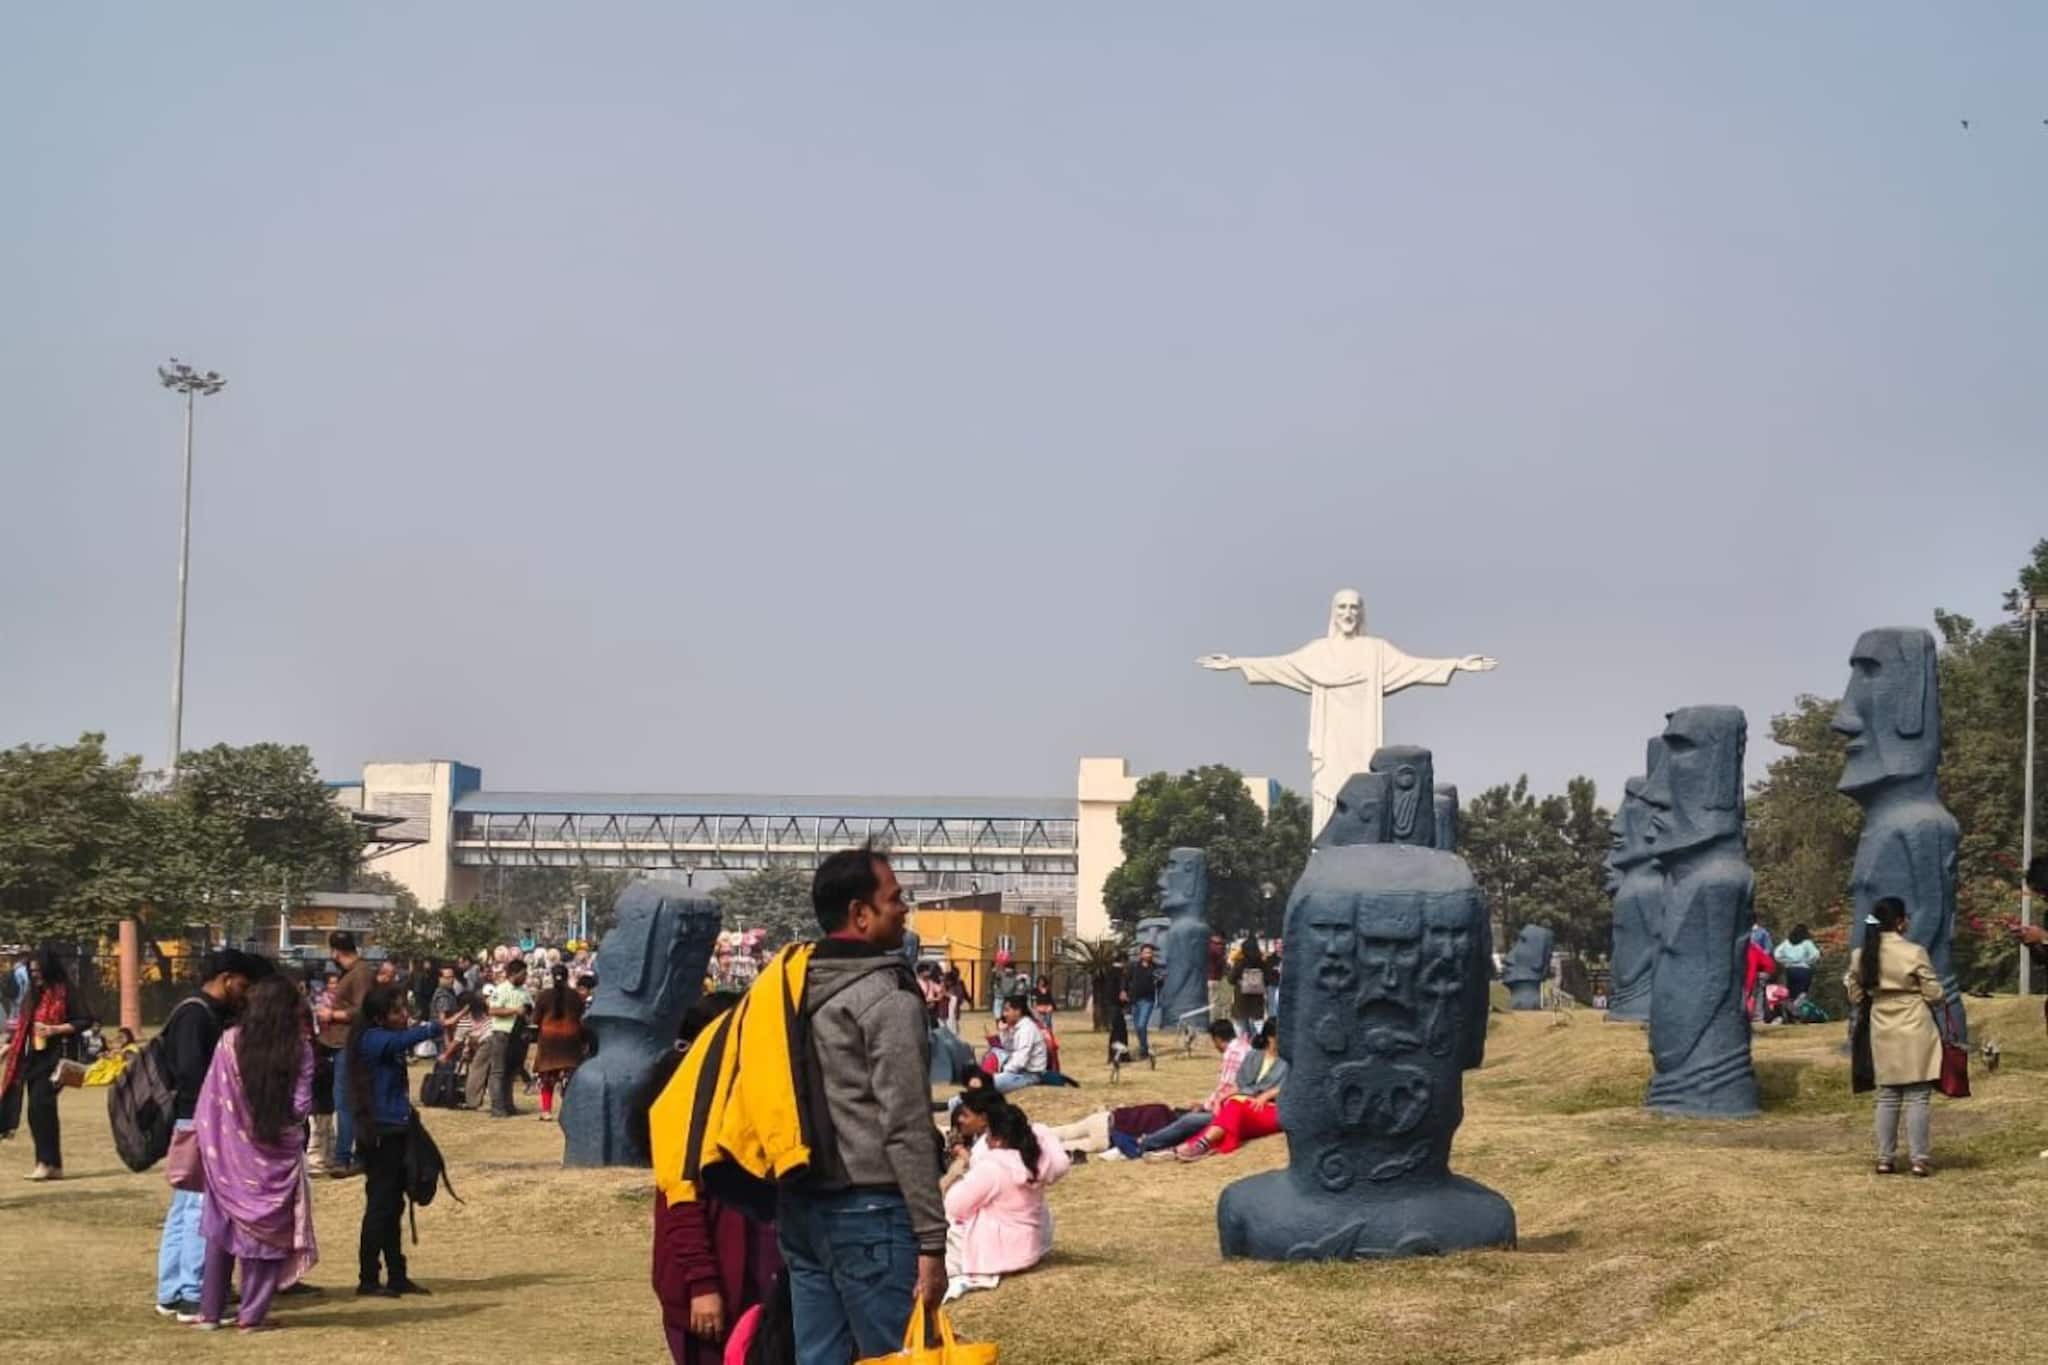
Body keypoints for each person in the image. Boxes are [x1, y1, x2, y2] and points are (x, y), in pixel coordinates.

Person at [779, 843, 946, 1365]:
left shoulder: (787, 987)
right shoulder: (886, 994)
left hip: (800, 1206)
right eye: (895, 898)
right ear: (860, 913)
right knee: (895, 1356)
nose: (905, 909)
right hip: (870, 1209)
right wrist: (932, 1242)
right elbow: (905, 1123)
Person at [643, 992, 781, 1365]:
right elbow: (681, 1206)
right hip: (711, 1292)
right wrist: (702, 1286)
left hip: (762, 1289)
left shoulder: (756, 1100)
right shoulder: (688, 1108)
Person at [191, 972, 318, 1332]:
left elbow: (210, 1101)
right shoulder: (299, 1050)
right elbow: (300, 1106)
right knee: (263, 1238)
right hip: (274, 1160)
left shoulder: (229, 1042)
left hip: (226, 1155)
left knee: (221, 1235)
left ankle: (210, 1313)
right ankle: (251, 1317)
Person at [155, 949, 261, 1322]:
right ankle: (193, 1293)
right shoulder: (196, 1014)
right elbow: (192, 1073)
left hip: (193, 1120)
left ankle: (171, 1291)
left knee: (185, 1207)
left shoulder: (198, 1011)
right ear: (227, 977)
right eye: (243, 986)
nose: (244, 994)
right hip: (201, 1121)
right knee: (201, 1209)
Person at [348, 984, 442, 1296]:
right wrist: (437, 1026)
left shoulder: (383, 1040)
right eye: (396, 1011)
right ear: (378, 1016)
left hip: (397, 1128)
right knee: (380, 1205)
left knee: (394, 1206)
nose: (404, 1016)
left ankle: (397, 1273)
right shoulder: (372, 1039)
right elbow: (404, 1038)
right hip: (381, 1133)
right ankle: (368, 1278)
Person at [1846, 897, 1946, 1177]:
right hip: (1914, 1024)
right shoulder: (1914, 952)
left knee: (1888, 1095)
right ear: (1901, 922)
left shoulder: (1861, 954)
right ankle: (1919, 1159)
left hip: (1881, 1024)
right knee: (1917, 1096)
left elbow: (1855, 994)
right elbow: (1934, 994)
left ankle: (1885, 1158)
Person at [942, 1098, 1070, 1301]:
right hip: (1029, 1249)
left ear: (996, 1139)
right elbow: (1061, 1162)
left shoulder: (992, 1167)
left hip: (996, 1256)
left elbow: (954, 1205)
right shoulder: (1037, 1161)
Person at [0, 947, 88, 1180]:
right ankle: (50, 1164)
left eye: (38, 971)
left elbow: (84, 1020)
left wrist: (53, 1029)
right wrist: (8, 1047)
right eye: (32, 971)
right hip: (33, 1057)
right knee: (36, 1112)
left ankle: (47, 1163)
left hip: (56, 1056)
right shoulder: (33, 993)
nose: (35, 975)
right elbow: (24, 1025)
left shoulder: (66, 991)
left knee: (41, 1107)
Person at [1132, 1020, 1252, 1160]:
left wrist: (1206, 1106)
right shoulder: (1245, 1047)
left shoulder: (1234, 1053)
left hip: (1227, 1109)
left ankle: (1146, 1143)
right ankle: (1152, 1139)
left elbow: (1227, 1087)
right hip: (1233, 1104)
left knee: (1188, 1121)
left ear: (1217, 1039)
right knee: (1182, 1116)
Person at [1174, 1020, 1287, 1162]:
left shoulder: (1291, 1060)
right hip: (1248, 1104)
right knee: (1225, 1113)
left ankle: (1199, 1145)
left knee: (1229, 1108)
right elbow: (1239, 1084)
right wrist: (1220, 1099)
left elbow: (1296, 1083)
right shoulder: (1254, 1056)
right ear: (1271, 1037)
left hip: (1273, 1107)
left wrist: (1267, 1095)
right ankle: (1188, 1147)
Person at [313, 931, 373, 1179]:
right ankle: (350, 1155)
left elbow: (364, 1010)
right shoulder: (354, 973)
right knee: (345, 1101)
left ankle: (344, 1158)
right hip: (338, 1043)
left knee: (345, 1102)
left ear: (336, 951)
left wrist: (333, 1015)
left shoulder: (361, 974)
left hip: (349, 1043)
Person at [475, 959, 530, 1118]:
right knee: (498, 1071)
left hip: (518, 1034)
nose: (526, 977)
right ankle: (497, 1107)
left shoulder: (523, 991)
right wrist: (514, 1011)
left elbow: (528, 1007)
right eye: (523, 974)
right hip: (502, 1034)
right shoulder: (501, 989)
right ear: (514, 974)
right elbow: (492, 1010)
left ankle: (508, 1105)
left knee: (511, 1071)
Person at [532, 964, 586, 1123]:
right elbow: (581, 1017)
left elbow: (535, 1020)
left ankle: (547, 1111)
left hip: (549, 1041)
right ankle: (569, 1111)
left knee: (547, 1077)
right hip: (571, 1040)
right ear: (568, 976)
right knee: (570, 1078)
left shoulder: (543, 995)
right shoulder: (576, 996)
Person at [987, 995, 1047, 1097]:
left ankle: (952, 1103)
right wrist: (1003, 1031)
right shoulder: (1018, 1027)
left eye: (1007, 1010)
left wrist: (1004, 1073)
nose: (1004, 1014)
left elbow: (1020, 1058)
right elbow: (1008, 1048)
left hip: (1029, 1075)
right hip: (1019, 1072)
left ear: (1017, 1011)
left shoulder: (1027, 1029)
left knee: (985, 1085)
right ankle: (952, 1103)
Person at [1122, 944, 1161, 1061]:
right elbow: (1126, 979)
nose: (1148, 955)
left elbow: (1159, 984)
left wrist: (1160, 980)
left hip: (1147, 1000)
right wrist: (1124, 991)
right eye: (1146, 952)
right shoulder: (1134, 966)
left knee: (1141, 1025)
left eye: (1150, 953)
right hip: (1134, 1000)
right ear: (1141, 954)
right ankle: (1144, 1047)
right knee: (1137, 1027)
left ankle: (1144, 1049)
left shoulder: (1155, 968)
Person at [1229, 934, 1268, 1040]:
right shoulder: (1262, 963)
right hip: (1257, 998)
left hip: (1241, 998)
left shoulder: (1240, 963)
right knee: (1258, 1023)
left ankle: (1241, 1044)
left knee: (1239, 1024)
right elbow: (1268, 978)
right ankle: (1260, 1043)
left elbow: (1230, 979)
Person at [1774, 926, 1821, 1003]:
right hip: (1804, 970)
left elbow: (1777, 954)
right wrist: (1808, 961)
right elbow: (1816, 955)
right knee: (1802, 993)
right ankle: (1799, 1009)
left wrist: (1785, 961)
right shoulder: (1806, 942)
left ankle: (1792, 1011)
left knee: (1791, 993)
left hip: (1790, 970)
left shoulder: (1787, 942)